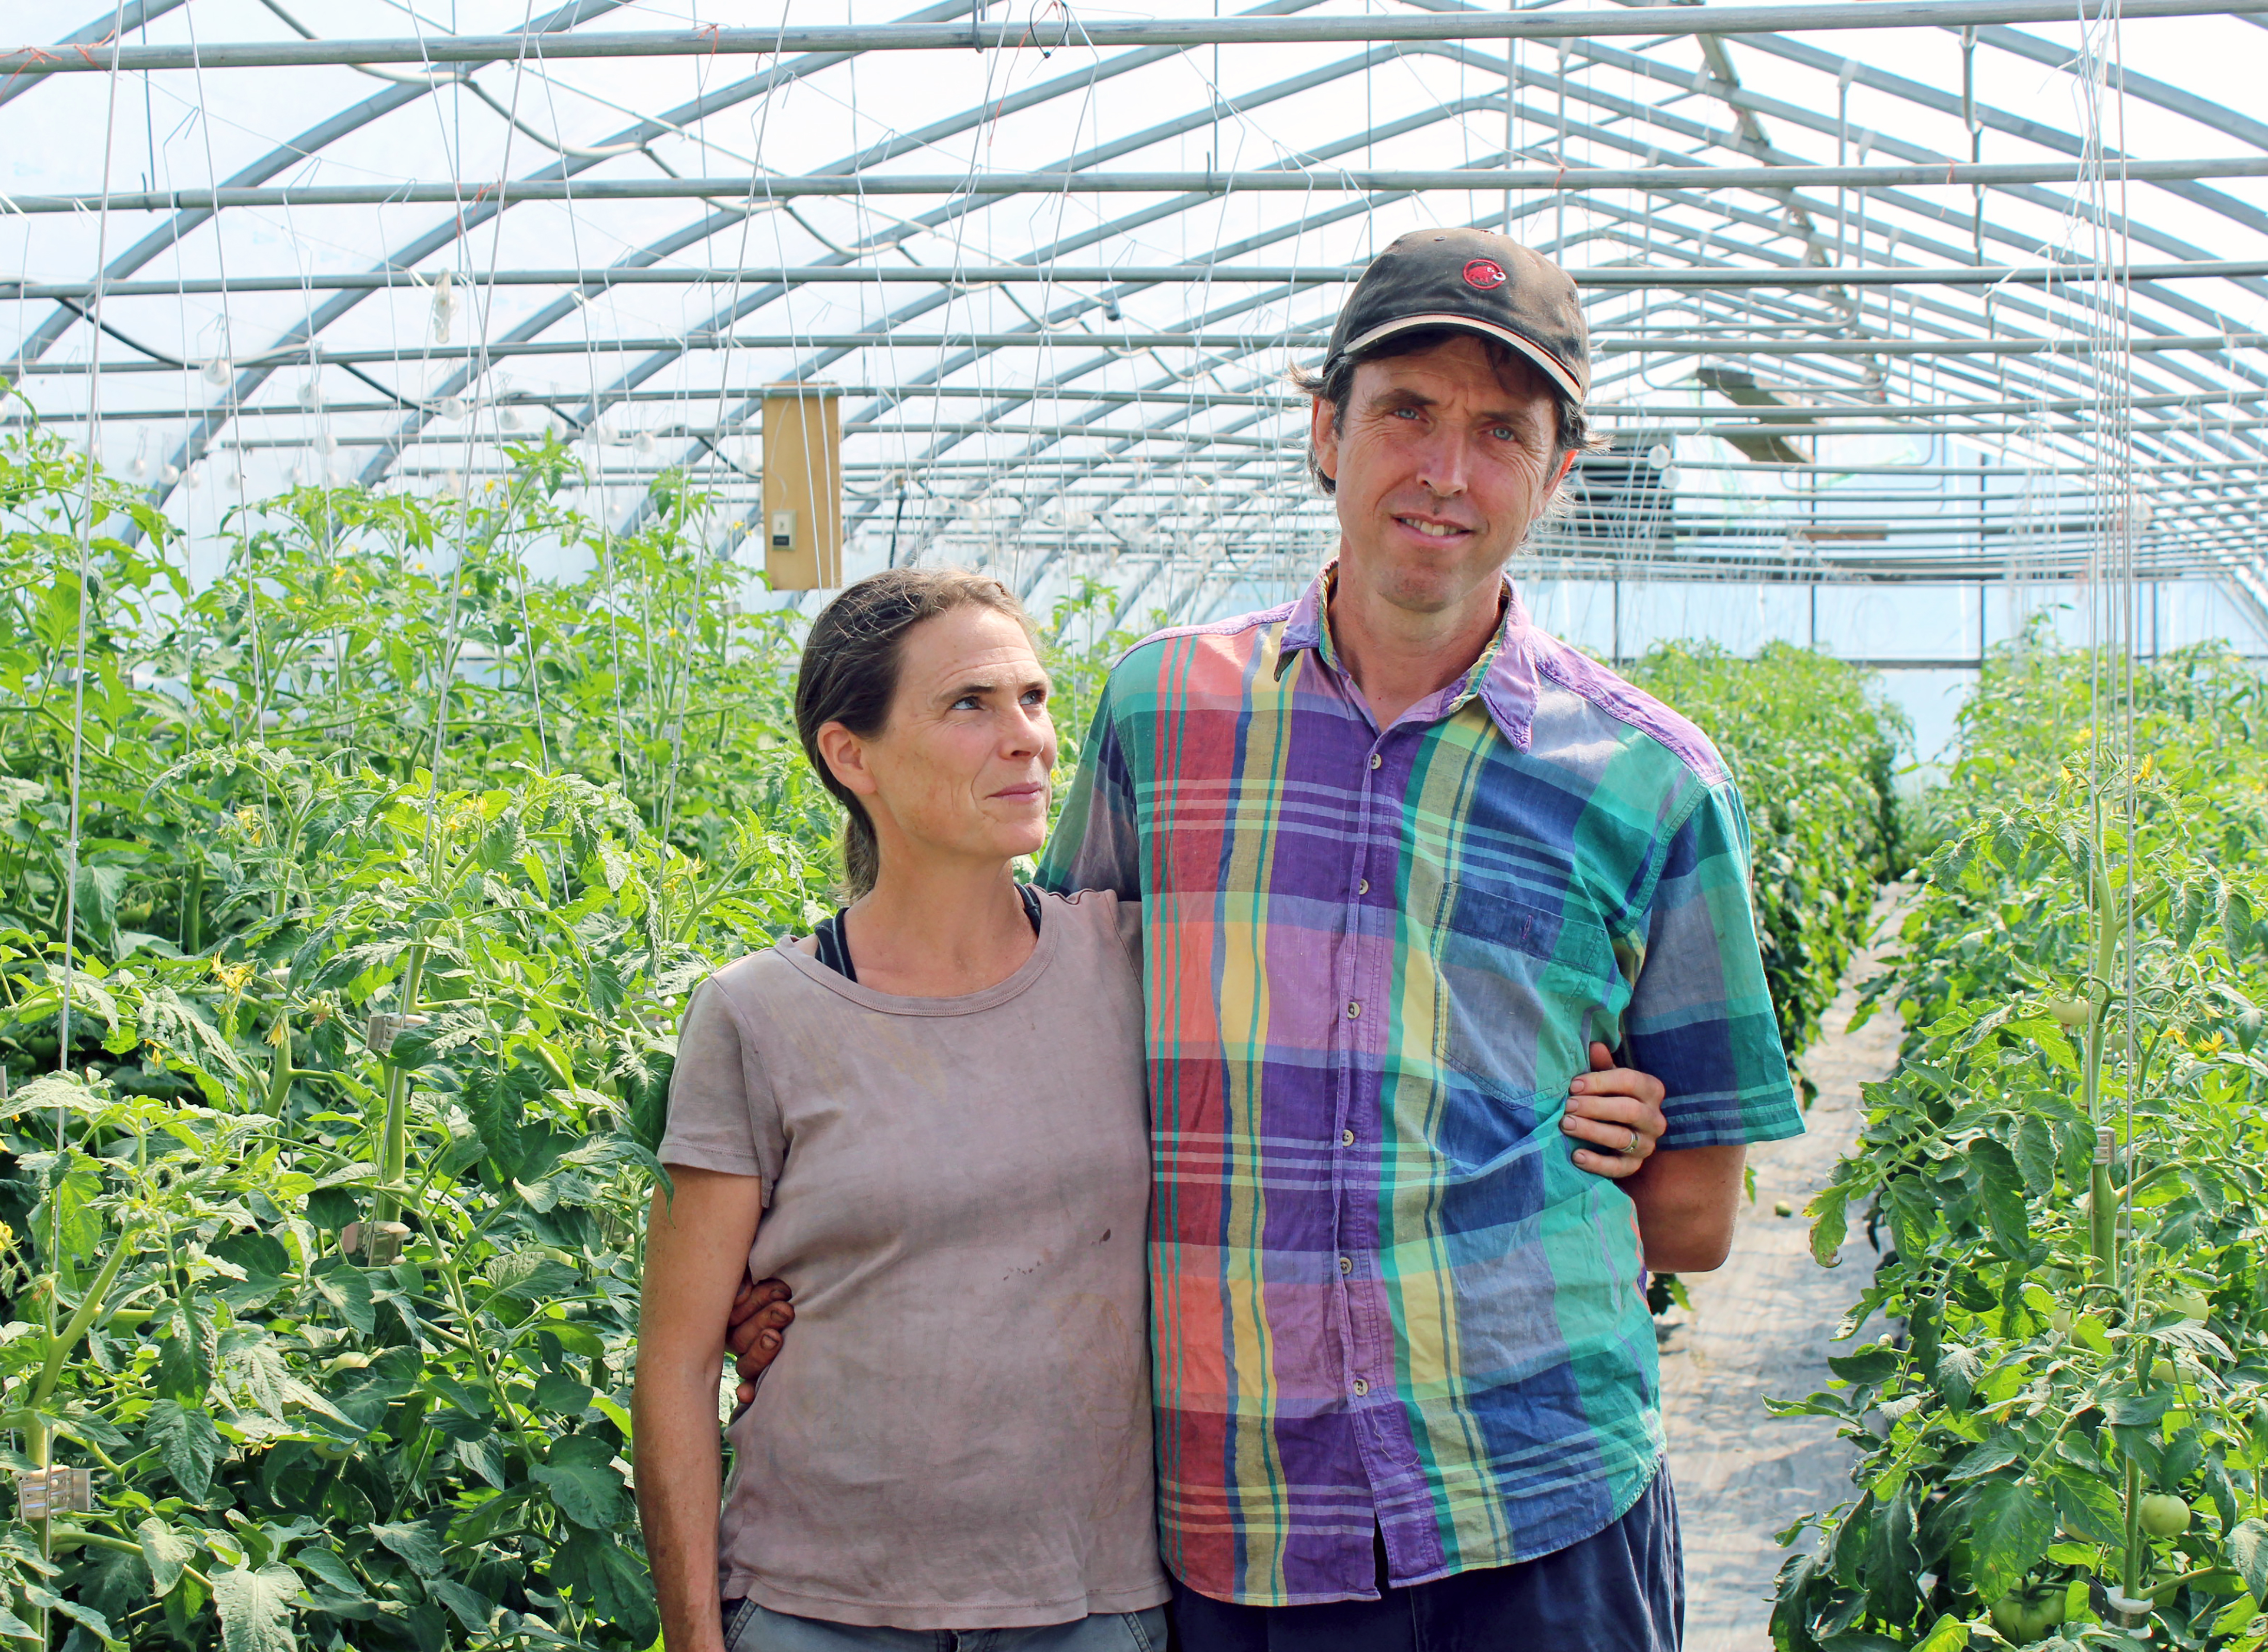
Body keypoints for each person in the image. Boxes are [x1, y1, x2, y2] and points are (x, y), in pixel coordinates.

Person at [730, 226, 1801, 1651]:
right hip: (1240, 1518)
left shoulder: (1654, 780)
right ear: (1324, 429)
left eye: (1501, 432)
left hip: (1538, 1502)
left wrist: (1620, 1129)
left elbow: (1696, 1221)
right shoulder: (1162, 715)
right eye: (1405, 411)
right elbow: (1033, 1033)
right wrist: (837, 1261)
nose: (1445, 469)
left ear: (1556, 474)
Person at [633, 561, 1676, 1652]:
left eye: (1034, 698)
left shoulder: (1142, 966)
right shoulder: (757, 1016)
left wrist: (1592, 1093)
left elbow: (1356, 1060)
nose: (1028, 736)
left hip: (1089, 1601)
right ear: (851, 756)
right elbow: (677, 1359)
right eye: (969, 705)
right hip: (816, 1603)